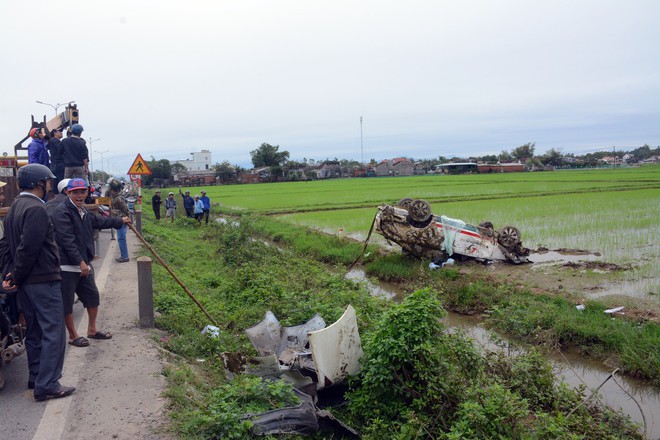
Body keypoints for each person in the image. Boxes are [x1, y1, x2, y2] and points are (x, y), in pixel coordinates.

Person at [0, 164, 75, 401]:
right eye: (48, 182)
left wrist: (11, 274)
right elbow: (28, 248)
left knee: (34, 331)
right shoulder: (35, 209)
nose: (50, 186)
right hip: (41, 280)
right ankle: (48, 383)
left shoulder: (14, 208)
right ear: (38, 183)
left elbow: (8, 248)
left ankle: (36, 377)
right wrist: (17, 275)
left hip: (26, 283)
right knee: (53, 331)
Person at [51, 178, 130, 347]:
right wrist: (80, 262)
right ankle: (73, 336)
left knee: (92, 296)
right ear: (68, 193)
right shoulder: (62, 212)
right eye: (75, 192)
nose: (79, 195)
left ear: (87, 193)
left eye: (82, 192)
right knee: (67, 302)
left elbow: (99, 222)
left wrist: (119, 221)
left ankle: (92, 330)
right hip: (67, 266)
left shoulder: (83, 211)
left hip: (83, 264)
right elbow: (67, 240)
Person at [108, 178, 130, 262]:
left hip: (121, 219)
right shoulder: (114, 196)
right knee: (121, 237)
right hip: (118, 219)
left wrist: (128, 218)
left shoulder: (119, 198)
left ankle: (125, 256)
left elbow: (125, 209)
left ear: (114, 189)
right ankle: (124, 255)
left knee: (121, 238)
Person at [47, 128, 65, 192]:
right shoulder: (55, 141)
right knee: (61, 182)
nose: (61, 133)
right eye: (59, 131)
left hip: (55, 164)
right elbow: (61, 150)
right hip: (59, 164)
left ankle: (56, 195)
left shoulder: (52, 141)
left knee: (56, 181)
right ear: (55, 133)